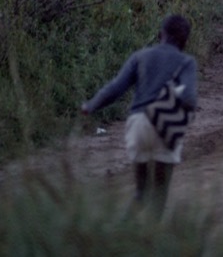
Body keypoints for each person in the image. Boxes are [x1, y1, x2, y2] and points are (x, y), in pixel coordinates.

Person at [81, 14, 198, 219]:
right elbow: (188, 97)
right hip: (166, 128)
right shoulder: (187, 62)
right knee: (159, 194)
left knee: (140, 193)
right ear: (185, 41)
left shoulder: (140, 56)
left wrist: (91, 105)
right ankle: (149, 244)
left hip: (138, 124)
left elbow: (115, 89)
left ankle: (118, 238)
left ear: (160, 34)